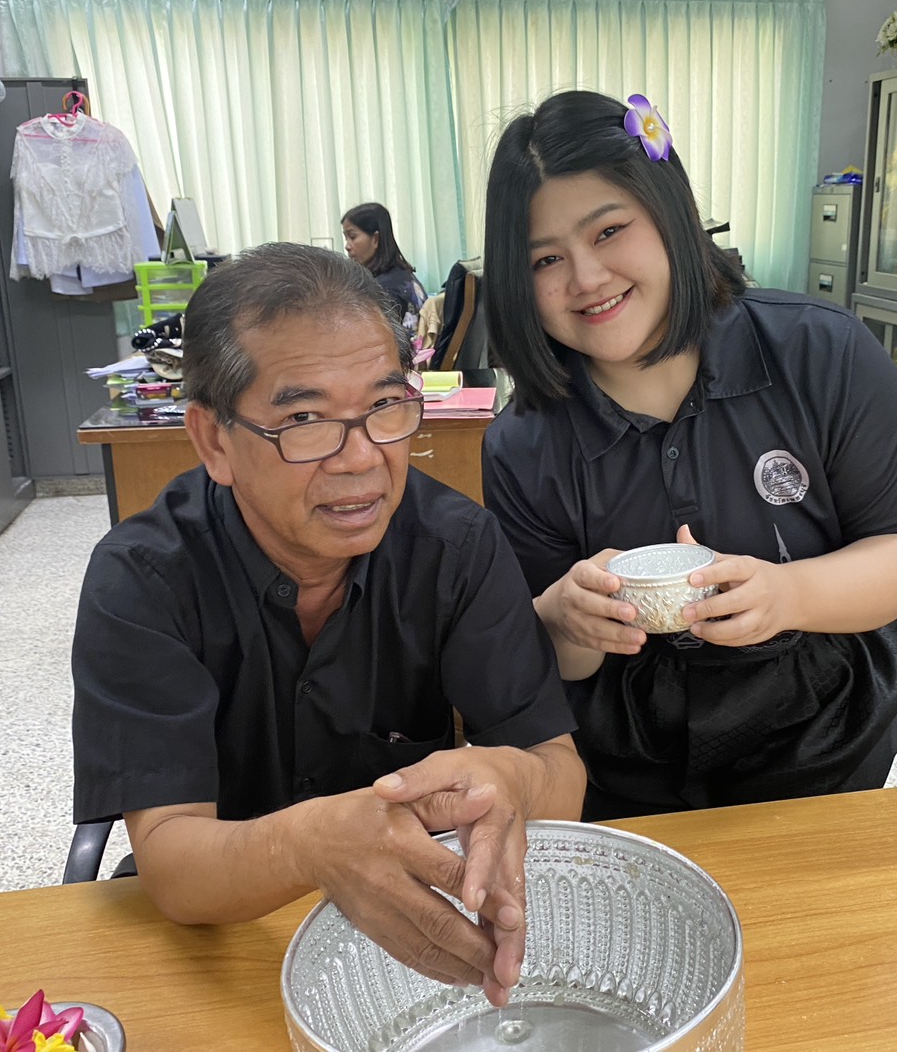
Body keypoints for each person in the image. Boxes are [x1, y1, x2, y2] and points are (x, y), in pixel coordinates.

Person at [71, 243, 584, 1004]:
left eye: (383, 407)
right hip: (224, 940)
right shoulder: (143, 579)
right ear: (214, 440)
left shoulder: (455, 547)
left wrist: (510, 774)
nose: (360, 461)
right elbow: (174, 863)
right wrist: (311, 844)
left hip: (402, 942)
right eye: (304, 419)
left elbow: (557, 769)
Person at [478, 91, 897, 821]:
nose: (584, 278)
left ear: (669, 215)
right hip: (633, 787)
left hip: (834, 759)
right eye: (545, 259)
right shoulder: (522, 442)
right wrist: (561, 620)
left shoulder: (817, 352)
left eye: (608, 231)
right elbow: (543, 673)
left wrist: (788, 595)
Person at [342, 202, 429, 336]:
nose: (347, 246)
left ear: (375, 239)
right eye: (346, 238)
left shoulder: (385, 289)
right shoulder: (402, 275)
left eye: (352, 237)